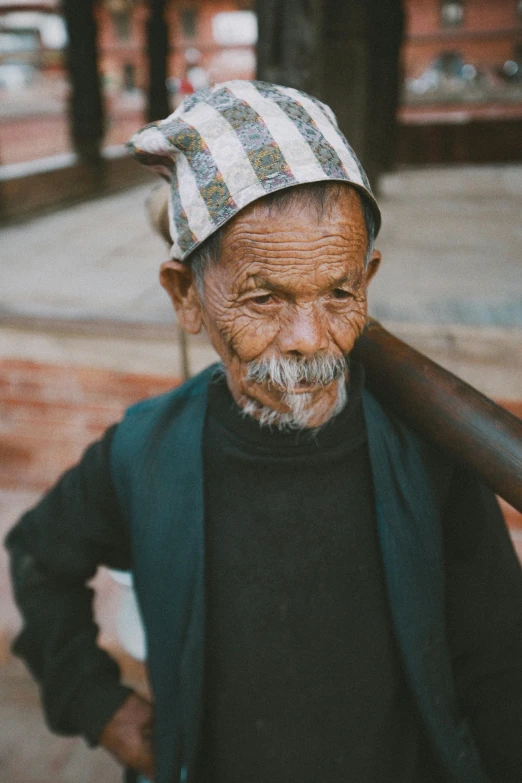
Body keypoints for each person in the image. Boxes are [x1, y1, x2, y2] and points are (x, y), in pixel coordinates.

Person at [5, 81, 522, 783]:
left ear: (368, 277)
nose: (311, 340)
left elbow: (499, 662)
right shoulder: (145, 450)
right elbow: (39, 557)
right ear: (186, 295)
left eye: (338, 292)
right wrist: (98, 704)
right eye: (264, 297)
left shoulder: (429, 450)